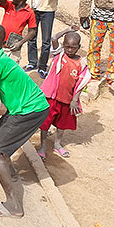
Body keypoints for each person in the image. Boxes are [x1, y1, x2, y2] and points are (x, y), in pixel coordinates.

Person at [0, 24, 50, 218]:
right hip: (23, 108)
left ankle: (14, 206)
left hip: (31, 109)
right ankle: (6, 171)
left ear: (2, 43)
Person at [37, 28, 91, 160]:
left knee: (62, 125)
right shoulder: (59, 55)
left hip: (67, 99)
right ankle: (42, 146)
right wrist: (68, 30)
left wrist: (75, 99)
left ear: (78, 47)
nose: (70, 50)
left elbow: (81, 83)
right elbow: (54, 39)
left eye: (73, 47)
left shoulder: (81, 63)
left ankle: (57, 144)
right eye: (67, 46)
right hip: (52, 97)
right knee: (45, 123)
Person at [0, 0, 37, 65]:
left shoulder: (29, 12)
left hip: (14, 46)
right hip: (0, 44)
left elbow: (32, 32)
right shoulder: (9, 5)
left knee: (12, 69)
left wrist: (20, 43)